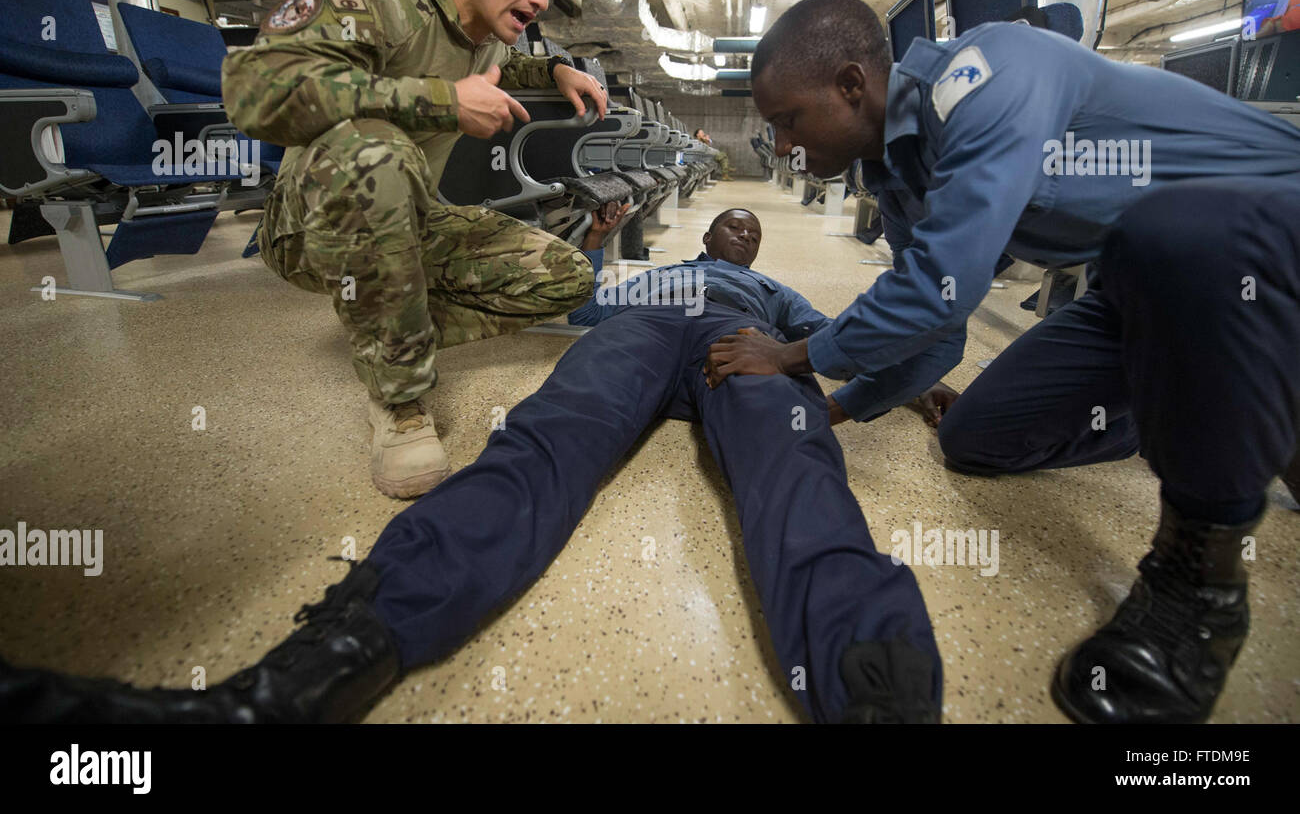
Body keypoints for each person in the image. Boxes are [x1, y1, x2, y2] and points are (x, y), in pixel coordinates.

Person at [0, 209, 944, 725]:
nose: (741, 235)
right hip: (640, 331)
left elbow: (829, 338)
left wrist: (915, 387)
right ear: (708, 238)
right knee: (540, 443)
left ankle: (876, 692)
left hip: (742, 343)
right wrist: (574, 248)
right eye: (729, 230)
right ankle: (300, 681)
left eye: (750, 232)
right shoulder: (634, 280)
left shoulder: (768, 289)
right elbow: (555, 304)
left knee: (795, 458)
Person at [705, 0, 1300, 724]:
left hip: (1262, 235)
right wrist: (841, 405)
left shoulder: (990, 77)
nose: (785, 145)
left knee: (1170, 229)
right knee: (976, 437)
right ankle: (1226, 403)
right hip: (1151, 296)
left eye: (787, 120)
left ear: (852, 85)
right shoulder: (899, 173)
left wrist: (792, 354)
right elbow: (939, 330)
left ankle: (1199, 591)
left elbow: (935, 294)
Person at [223, 0, 609, 498]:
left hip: (409, 219)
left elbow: (512, 63)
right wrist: (439, 102)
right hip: (309, 224)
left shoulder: (482, 36)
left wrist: (557, 67)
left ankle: (386, 326)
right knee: (381, 150)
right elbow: (252, 87)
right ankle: (397, 397)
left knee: (563, 277)